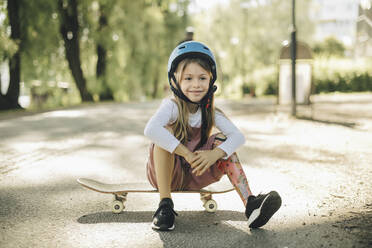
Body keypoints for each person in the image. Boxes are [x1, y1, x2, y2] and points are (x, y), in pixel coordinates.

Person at [144, 41, 281, 231]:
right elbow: (150, 130)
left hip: (197, 173)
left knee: (223, 141)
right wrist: (187, 154)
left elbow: (238, 137)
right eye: (188, 78)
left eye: (202, 78)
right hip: (167, 175)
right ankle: (164, 205)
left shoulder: (210, 112)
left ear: (211, 79)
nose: (196, 85)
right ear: (175, 80)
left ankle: (251, 205)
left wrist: (214, 154)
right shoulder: (171, 107)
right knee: (162, 133)